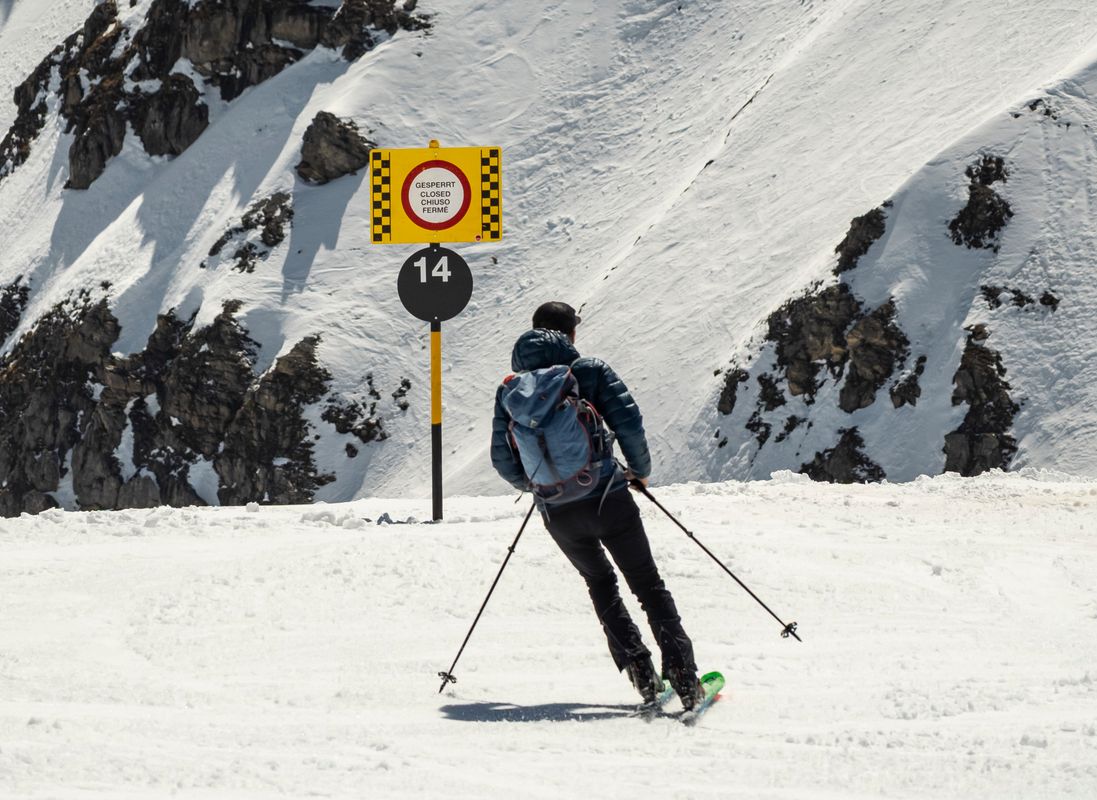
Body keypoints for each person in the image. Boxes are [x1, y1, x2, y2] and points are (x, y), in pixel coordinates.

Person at [490, 301, 703, 708]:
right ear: (571, 335)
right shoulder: (588, 371)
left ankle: (640, 673)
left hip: (558, 513)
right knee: (648, 586)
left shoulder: (510, 391)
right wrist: (638, 472)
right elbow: (629, 423)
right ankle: (684, 678)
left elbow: (503, 460)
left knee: (600, 584)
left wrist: (538, 484)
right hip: (608, 498)